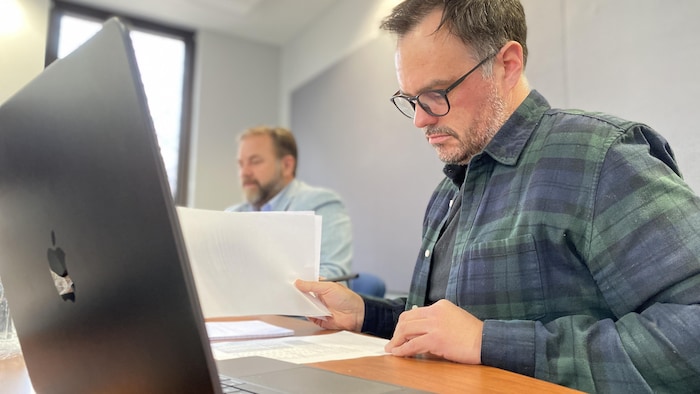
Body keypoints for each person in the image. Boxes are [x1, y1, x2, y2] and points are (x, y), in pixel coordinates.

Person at [295, 1, 700, 392]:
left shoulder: (601, 158)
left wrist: (489, 342)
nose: (420, 118)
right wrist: (364, 313)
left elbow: (691, 331)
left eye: (437, 92)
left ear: (507, 65)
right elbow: (442, 326)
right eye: (411, 99)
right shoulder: (447, 194)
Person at [226, 126, 353, 280]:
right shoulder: (232, 215)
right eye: (240, 164)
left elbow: (333, 276)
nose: (244, 172)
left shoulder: (321, 204)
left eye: (255, 161)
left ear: (287, 165)